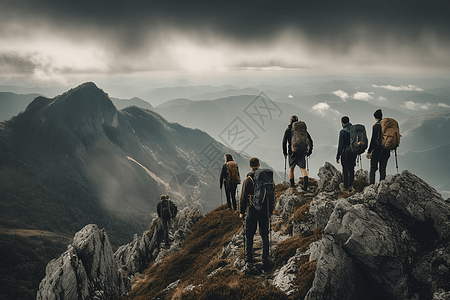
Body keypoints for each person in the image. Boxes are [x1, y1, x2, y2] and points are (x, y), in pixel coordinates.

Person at [239, 157, 274, 269]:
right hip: (264, 210)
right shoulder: (267, 179)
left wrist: (241, 212)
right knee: (264, 235)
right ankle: (265, 260)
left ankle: (249, 258)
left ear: (250, 166)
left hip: (252, 210)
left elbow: (243, 197)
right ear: (258, 165)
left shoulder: (248, 180)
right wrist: (270, 210)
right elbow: (272, 195)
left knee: (249, 234)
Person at [282, 115, 313, 190]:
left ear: (290, 121)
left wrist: (285, 153)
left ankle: (292, 185)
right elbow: (310, 140)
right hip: (302, 150)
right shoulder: (302, 130)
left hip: (292, 151)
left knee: (291, 168)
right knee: (303, 168)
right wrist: (309, 151)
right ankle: (305, 186)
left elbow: (284, 142)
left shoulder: (288, 130)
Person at [366, 109, 390, 184]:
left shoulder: (376, 126)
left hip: (377, 150)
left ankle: (371, 186)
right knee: (382, 168)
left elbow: (373, 140)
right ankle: (382, 185)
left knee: (373, 168)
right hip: (386, 149)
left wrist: (369, 151)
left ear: (375, 117)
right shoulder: (387, 125)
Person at [336, 116, 357, 192]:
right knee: (351, 168)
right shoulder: (354, 130)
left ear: (342, 123)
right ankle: (351, 185)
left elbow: (341, 145)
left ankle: (345, 186)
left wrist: (338, 156)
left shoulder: (343, 132)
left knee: (345, 169)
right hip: (354, 152)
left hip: (345, 153)